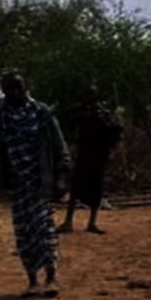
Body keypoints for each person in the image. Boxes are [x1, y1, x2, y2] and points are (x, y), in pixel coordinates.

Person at [0, 72, 70, 298]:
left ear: (25, 88)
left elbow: (59, 148)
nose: (13, 93)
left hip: (40, 181)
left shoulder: (41, 113)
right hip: (16, 184)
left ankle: (51, 279)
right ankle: (32, 281)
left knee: (44, 229)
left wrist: (61, 178)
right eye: (9, 89)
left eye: (17, 88)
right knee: (23, 233)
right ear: (3, 91)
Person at [57, 84, 123, 235]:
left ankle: (92, 223)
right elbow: (68, 123)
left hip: (99, 156)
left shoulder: (104, 113)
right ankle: (68, 222)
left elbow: (113, 133)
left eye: (92, 95)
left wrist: (117, 129)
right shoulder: (80, 111)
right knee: (75, 187)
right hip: (84, 154)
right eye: (87, 95)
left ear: (97, 96)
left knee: (97, 189)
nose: (89, 98)